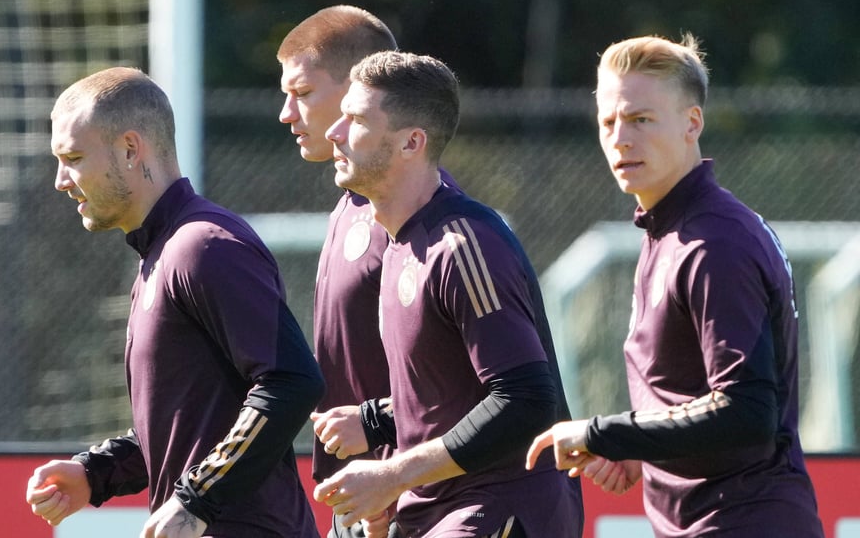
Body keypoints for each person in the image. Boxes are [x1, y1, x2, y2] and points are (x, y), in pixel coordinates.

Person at [525, 34, 824, 538]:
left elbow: (746, 412)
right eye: (608, 122)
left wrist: (604, 433)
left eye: (640, 119)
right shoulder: (671, 230)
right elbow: (703, 403)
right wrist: (639, 450)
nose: (620, 137)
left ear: (692, 123)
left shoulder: (712, 241)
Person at [25, 67, 326, 538]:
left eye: (74, 157)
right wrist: (96, 473)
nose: (61, 180)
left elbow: (291, 381)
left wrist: (197, 499)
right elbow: (194, 427)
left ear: (130, 149)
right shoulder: (161, 255)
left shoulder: (203, 247)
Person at [313, 50, 583, 537]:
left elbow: (524, 399)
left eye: (353, 119)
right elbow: (452, 392)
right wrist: (376, 425)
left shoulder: (462, 244)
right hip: (436, 512)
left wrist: (392, 475)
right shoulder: (398, 244)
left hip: (498, 505)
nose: (334, 133)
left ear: (411, 142)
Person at [276, 5, 400, 538]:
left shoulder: (417, 216)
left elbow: (484, 389)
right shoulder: (350, 206)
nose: (286, 112)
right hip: (361, 501)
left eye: (302, 93)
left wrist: (393, 476)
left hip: (410, 501)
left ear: (357, 93)